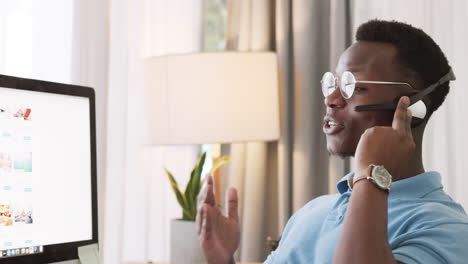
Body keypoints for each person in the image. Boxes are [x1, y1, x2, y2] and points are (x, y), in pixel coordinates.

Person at [196, 19, 468, 264]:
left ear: (414, 107)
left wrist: (372, 171)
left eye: (355, 87)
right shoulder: (312, 213)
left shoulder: (445, 228)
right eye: (333, 84)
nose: (331, 99)